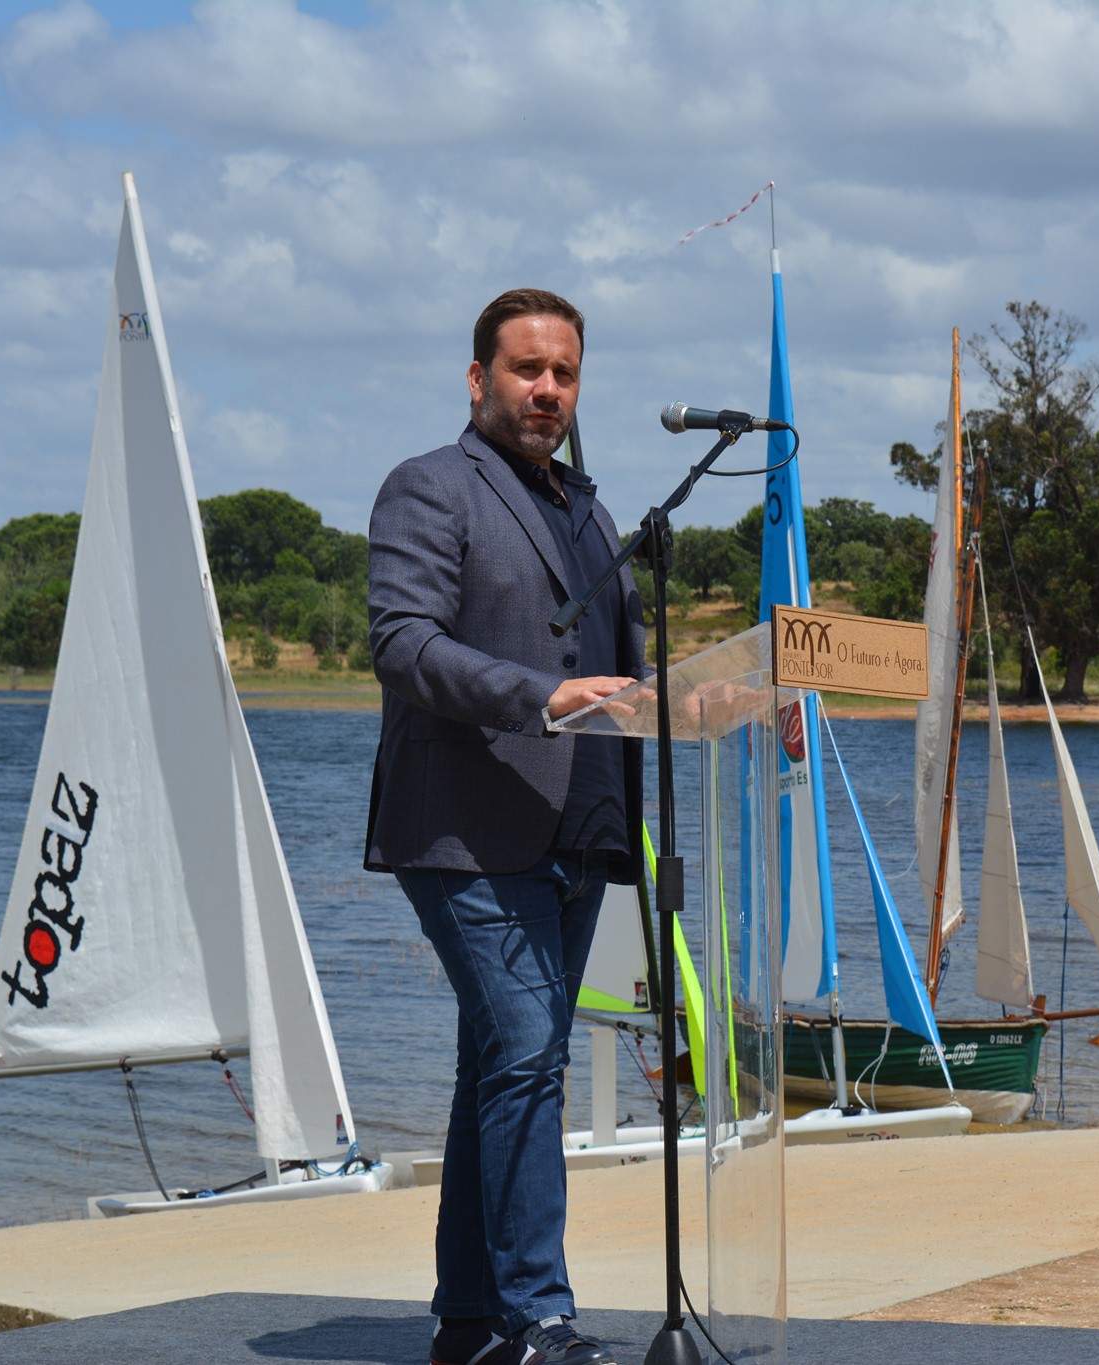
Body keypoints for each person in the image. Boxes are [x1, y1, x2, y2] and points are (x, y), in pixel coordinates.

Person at [366, 288, 646, 1365]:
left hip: (580, 829)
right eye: (526, 369)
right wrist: (538, 694)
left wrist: (737, 706)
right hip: (463, 827)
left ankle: (469, 1320)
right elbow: (402, 644)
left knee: (498, 1059)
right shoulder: (429, 488)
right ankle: (540, 1317)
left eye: (564, 374)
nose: (546, 391)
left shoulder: (589, 511)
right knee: (528, 1057)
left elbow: (618, 668)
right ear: (477, 377)